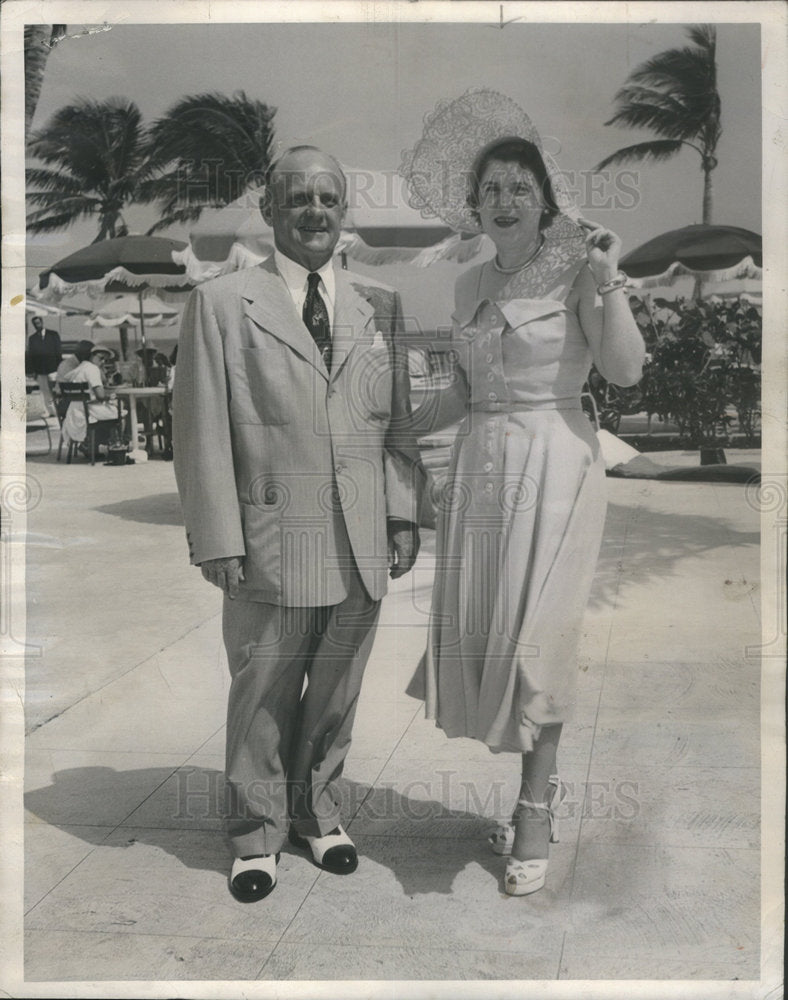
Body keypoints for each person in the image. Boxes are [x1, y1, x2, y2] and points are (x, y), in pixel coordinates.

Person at [402, 91, 645, 896]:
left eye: (520, 187)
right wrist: (383, 431)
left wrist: (610, 284)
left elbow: (625, 372)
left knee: (543, 642)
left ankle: (536, 810)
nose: (505, 201)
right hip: (482, 471)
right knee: (500, 637)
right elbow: (458, 393)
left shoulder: (581, 266)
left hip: (557, 465)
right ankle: (524, 789)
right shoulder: (467, 285)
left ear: (546, 199)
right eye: (491, 190)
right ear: (473, 207)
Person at [172, 145, 425, 903]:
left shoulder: (381, 302)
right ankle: (256, 835)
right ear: (271, 211)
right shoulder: (222, 303)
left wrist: (403, 513)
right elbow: (200, 431)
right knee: (264, 689)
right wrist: (217, 535)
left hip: (359, 539)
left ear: (343, 211)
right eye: (299, 199)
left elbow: (399, 423)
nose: (315, 211)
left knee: (336, 691)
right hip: (269, 538)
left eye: (328, 198)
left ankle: (318, 816)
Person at [59, 340, 119, 446]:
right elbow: (100, 395)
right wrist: (112, 396)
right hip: (87, 412)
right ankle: (116, 445)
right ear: (92, 355)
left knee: (113, 409)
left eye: (105, 360)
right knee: (121, 412)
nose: (103, 362)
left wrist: (100, 368)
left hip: (74, 411)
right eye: (100, 358)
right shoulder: (93, 370)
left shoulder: (80, 368)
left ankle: (93, 447)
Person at [26, 315, 62, 416]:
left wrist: (60, 367)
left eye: (38, 323)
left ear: (42, 322)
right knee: (45, 392)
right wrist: (33, 370)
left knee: (55, 390)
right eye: (35, 324)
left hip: (53, 368)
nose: (37, 325)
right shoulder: (32, 338)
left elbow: (58, 352)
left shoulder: (53, 335)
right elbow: (31, 355)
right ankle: (50, 411)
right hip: (40, 370)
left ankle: (58, 410)